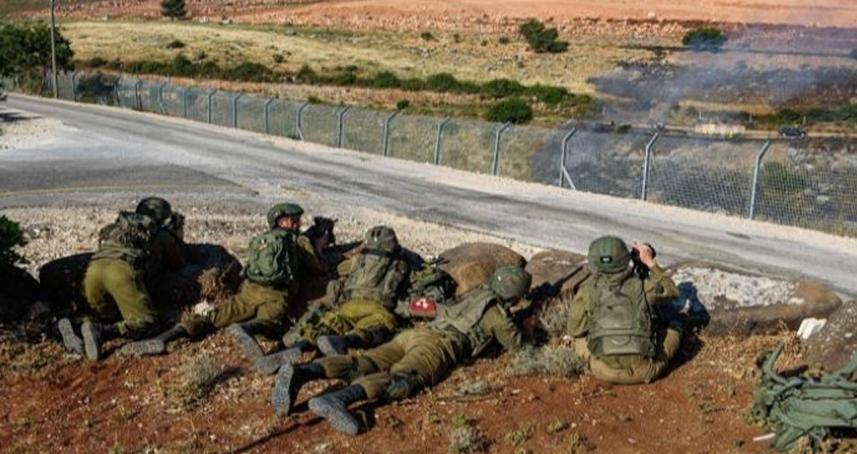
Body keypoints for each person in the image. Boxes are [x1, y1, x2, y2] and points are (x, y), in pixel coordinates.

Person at [270, 265, 532, 435]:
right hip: (439, 346)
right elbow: (517, 345)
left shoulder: (477, 293)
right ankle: (340, 398)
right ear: (515, 294)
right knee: (402, 378)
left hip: (415, 334)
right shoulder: (497, 314)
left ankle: (302, 373)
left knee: (365, 362)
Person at [120, 202, 327, 358]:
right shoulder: (298, 241)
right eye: (295, 220)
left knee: (214, 317)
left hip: (249, 291)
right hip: (276, 295)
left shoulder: (263, 239)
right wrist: (318, 247)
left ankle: (166, 337)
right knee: (269, 325)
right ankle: (247, 329)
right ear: (284, 221)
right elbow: (318, 269)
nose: (299, 224)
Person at [253, 226, 411, 374]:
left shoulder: (359, 260)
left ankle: (300, 346)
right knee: (372, 328)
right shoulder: (401, 264)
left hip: (349, 305)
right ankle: (344, 341)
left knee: (327, 324)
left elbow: (340, 269)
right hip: (376, 308)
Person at [566, 236, 681, 385]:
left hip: (602, 371)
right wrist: (649, 262)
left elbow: (574, 330)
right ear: (625, 259)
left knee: (577, 341)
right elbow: (672, 291)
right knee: (675, 328)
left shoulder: (587, 291)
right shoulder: (643, 287)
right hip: (642, 372)